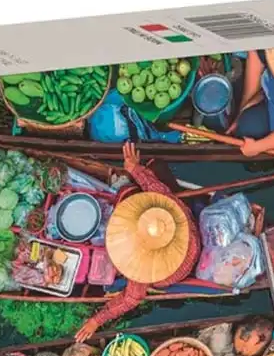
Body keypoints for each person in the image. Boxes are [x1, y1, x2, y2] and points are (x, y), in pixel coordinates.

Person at [75, 141, 199, 340]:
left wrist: (97, 320)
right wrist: (134, 167)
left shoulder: (143, 269)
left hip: (175, 272)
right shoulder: (170, 206)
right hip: (192, 239)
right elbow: (153, 185)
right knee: (155, 170)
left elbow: (130, 299)